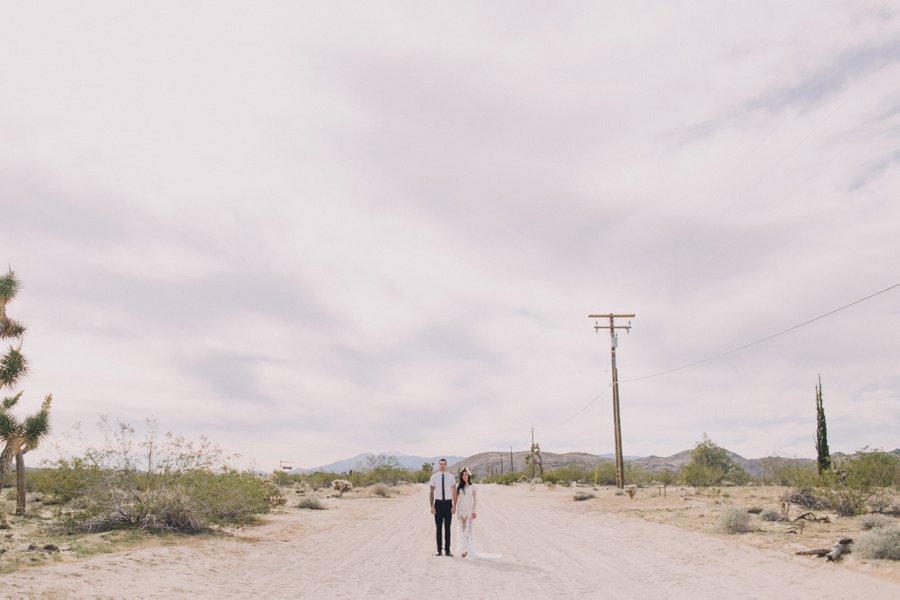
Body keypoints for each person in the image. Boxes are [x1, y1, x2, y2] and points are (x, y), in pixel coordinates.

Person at [429, 458, 456, 557]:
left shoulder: (451, 477)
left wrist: (454, 505)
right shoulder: (434, 477)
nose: (442, 466)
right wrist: (432, 506)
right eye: (441, 464)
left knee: (448, 528)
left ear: (446, 465)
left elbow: (454, 491)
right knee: (438, 528)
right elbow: (431, 492)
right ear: (438, 465)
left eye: (444, 464)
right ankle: (439, 550)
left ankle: (448, 550)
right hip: (438, 504)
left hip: (448, 504)